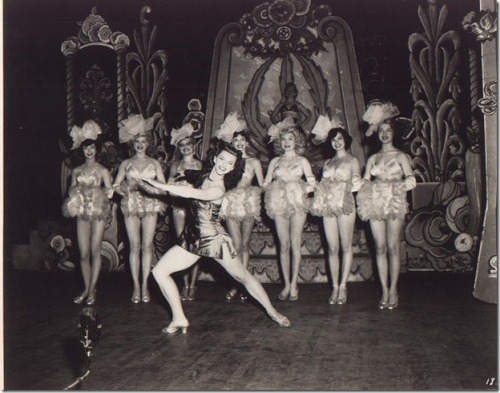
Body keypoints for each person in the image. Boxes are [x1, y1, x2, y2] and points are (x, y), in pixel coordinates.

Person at [141, 141, 290, 333]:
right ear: (214, 158)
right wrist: (184, 174)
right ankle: (179, 318)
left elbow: (190, 192)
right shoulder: (205, 175)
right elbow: (195, 175)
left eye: (230, 163)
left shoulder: (219, 188)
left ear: (233, 168)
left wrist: (157, 184)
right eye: (222, 159)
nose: (224, 165)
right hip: (193, 237)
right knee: (159, 272)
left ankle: (273, 312)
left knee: (242, 277)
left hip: (213, 239)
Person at [356, 101, 416, 310]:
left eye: (388, 130)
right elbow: (364, 181)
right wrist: (356, 184)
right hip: (374, 202)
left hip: (394, 200)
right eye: (380, 130)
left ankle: (393, 290)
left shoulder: (401, 156)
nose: (384, 134)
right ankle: (383, 290)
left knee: (392, 247)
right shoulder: (372, 158)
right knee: (379, 247)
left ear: (393, 133)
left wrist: (401, 186)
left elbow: (411, 179)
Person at [113, 114, 167, 304]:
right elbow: (116, 186)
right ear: (132, 143)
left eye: (143, 141)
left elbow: (163, 186)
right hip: (132, 204)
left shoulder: (154, 163)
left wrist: (151, 188)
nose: (140, 144)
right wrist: (125, 190)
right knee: (134, 245)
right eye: (137, 141)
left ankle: (145, 285)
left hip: (151, 203)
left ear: (148, 143)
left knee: (147, 245)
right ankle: (136, 286)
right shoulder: (126, 164)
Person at [309, 115, 362, 305]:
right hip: (328, 205)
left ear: (345, 140)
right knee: (332, 247)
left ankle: (343, 286)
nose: (336, 142)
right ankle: (334, 287)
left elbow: (356, 180)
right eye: (333, 139)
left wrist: (353, 183)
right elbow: (322, 184)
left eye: (339, 138)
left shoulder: (352, 160)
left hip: (345, 203)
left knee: (346, 246)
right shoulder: (328, 163)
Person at [263, 120, 316, 301]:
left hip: (297, 202)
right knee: (283, 244)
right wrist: (267, 186)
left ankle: (294, 284)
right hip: (278, 202)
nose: (286, 142)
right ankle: (286, 284)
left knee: (295, 242)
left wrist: (300, 189)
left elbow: (311, 181)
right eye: (283, 139)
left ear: (296, 140)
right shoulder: (275, 161)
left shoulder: (302, 160)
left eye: (290, 139)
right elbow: (266, 182)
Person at [62, 120, 113, 305]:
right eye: (86, 148)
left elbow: (109, 191)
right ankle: (87, 288)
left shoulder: (102, 170)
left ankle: (91, 290)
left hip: (98, 210)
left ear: (96, 149)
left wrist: (108, 192)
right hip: (82, 210)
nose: (89, 151)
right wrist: (76, 194)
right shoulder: (76, 170)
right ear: (81, 150)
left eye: (92, 148)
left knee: (94, 250)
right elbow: (71, 191)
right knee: (83, 254)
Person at [215, 113, 264, 301]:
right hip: (229, 202)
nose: (239, 143)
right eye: (236, 140)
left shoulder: (254, 162)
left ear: (247, 142)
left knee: (244, 243)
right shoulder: (228, 161)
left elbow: (261, 184)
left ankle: (245, 286)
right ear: (232, 142)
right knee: (235, 244)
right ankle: (237, 284)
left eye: (242, 140)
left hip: (248, 201)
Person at [167, 122, 203, 301]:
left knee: (195, 245)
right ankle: (184, 283)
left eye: (189, 144)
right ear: (179, 148)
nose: (186, 148)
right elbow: (170, 186)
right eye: (182, 145)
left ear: (194, 146)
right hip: (179, 207)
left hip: (195, 208)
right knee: (182, 245)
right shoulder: (175, 165)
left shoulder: (200, 164)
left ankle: (192, 285)